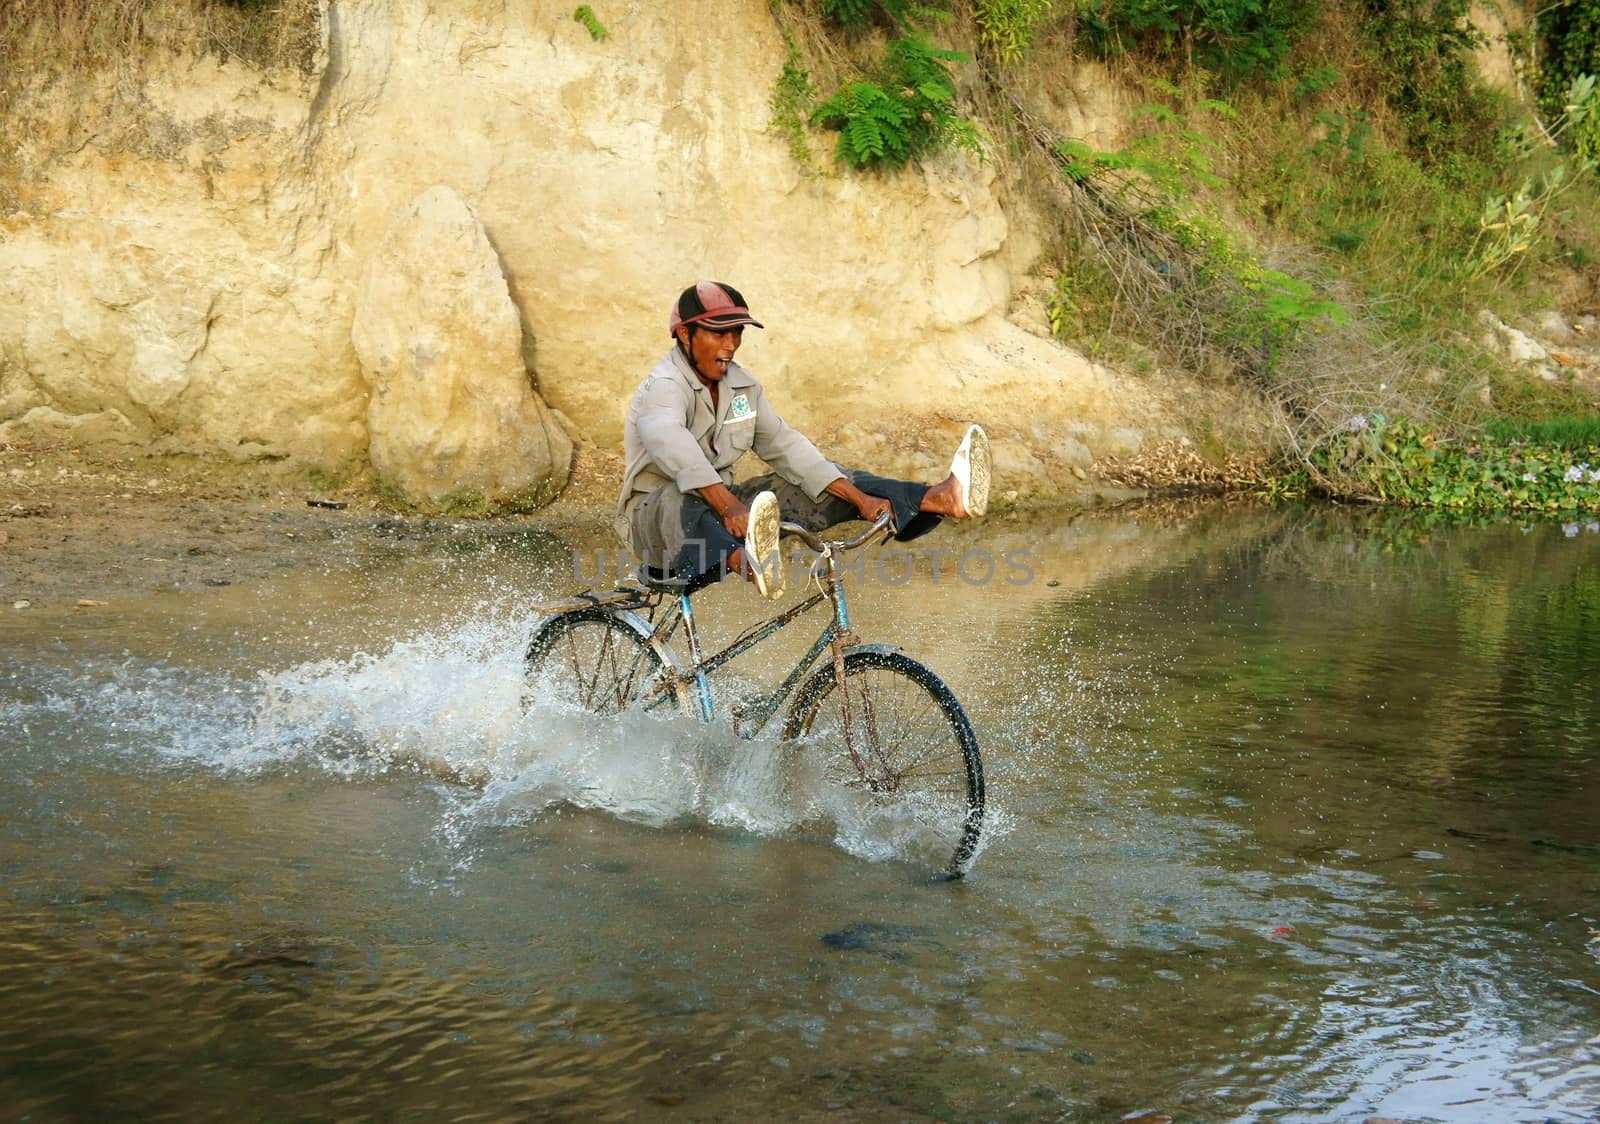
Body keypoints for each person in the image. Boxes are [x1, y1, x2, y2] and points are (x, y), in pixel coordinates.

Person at [616, 281, 991, 599]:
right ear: (685, 334)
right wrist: (731, 509)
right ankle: (750, 563)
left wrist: (858, 499)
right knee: (682, 497)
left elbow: (787, 448)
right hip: (655, 526)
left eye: (737, 333)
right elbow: (672, 444)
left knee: (815, 481)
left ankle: (940, 498)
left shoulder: (742, 386)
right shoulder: (663, 386)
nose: (730, 344)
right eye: (718, 333)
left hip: (723, 514)